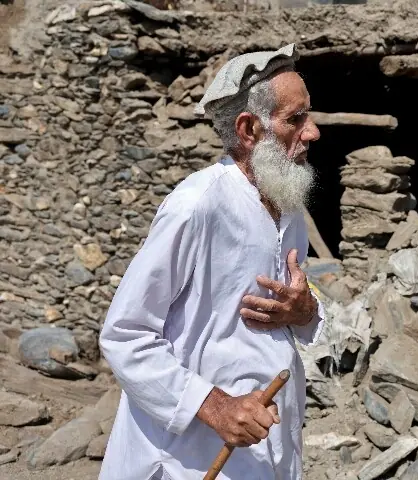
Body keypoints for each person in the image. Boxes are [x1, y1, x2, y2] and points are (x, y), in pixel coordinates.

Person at [98, 44, 325, 480]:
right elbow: (125, 334)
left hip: (267, 450)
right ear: (249, 129)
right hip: (190, 457)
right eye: (295, 119)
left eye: (308, 116)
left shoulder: (289, 207)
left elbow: (297, 300)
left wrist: (305, 311)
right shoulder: (196, 206)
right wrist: (214, 406)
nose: (312, 131)